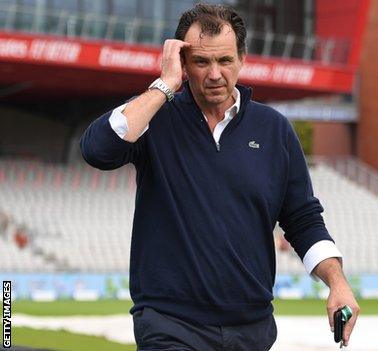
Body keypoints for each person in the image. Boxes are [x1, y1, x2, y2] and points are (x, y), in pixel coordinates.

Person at [80, 3, 359, 350]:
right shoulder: (156, 119)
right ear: (182, 62)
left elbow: (303, 220)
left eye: (225, 61)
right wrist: (165, 85)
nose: (214, 74)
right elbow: (97, 150)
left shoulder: (274, 130)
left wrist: (338, 283)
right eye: (201, 62)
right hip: (171, 325)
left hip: (252, 329)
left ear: (242, 58)